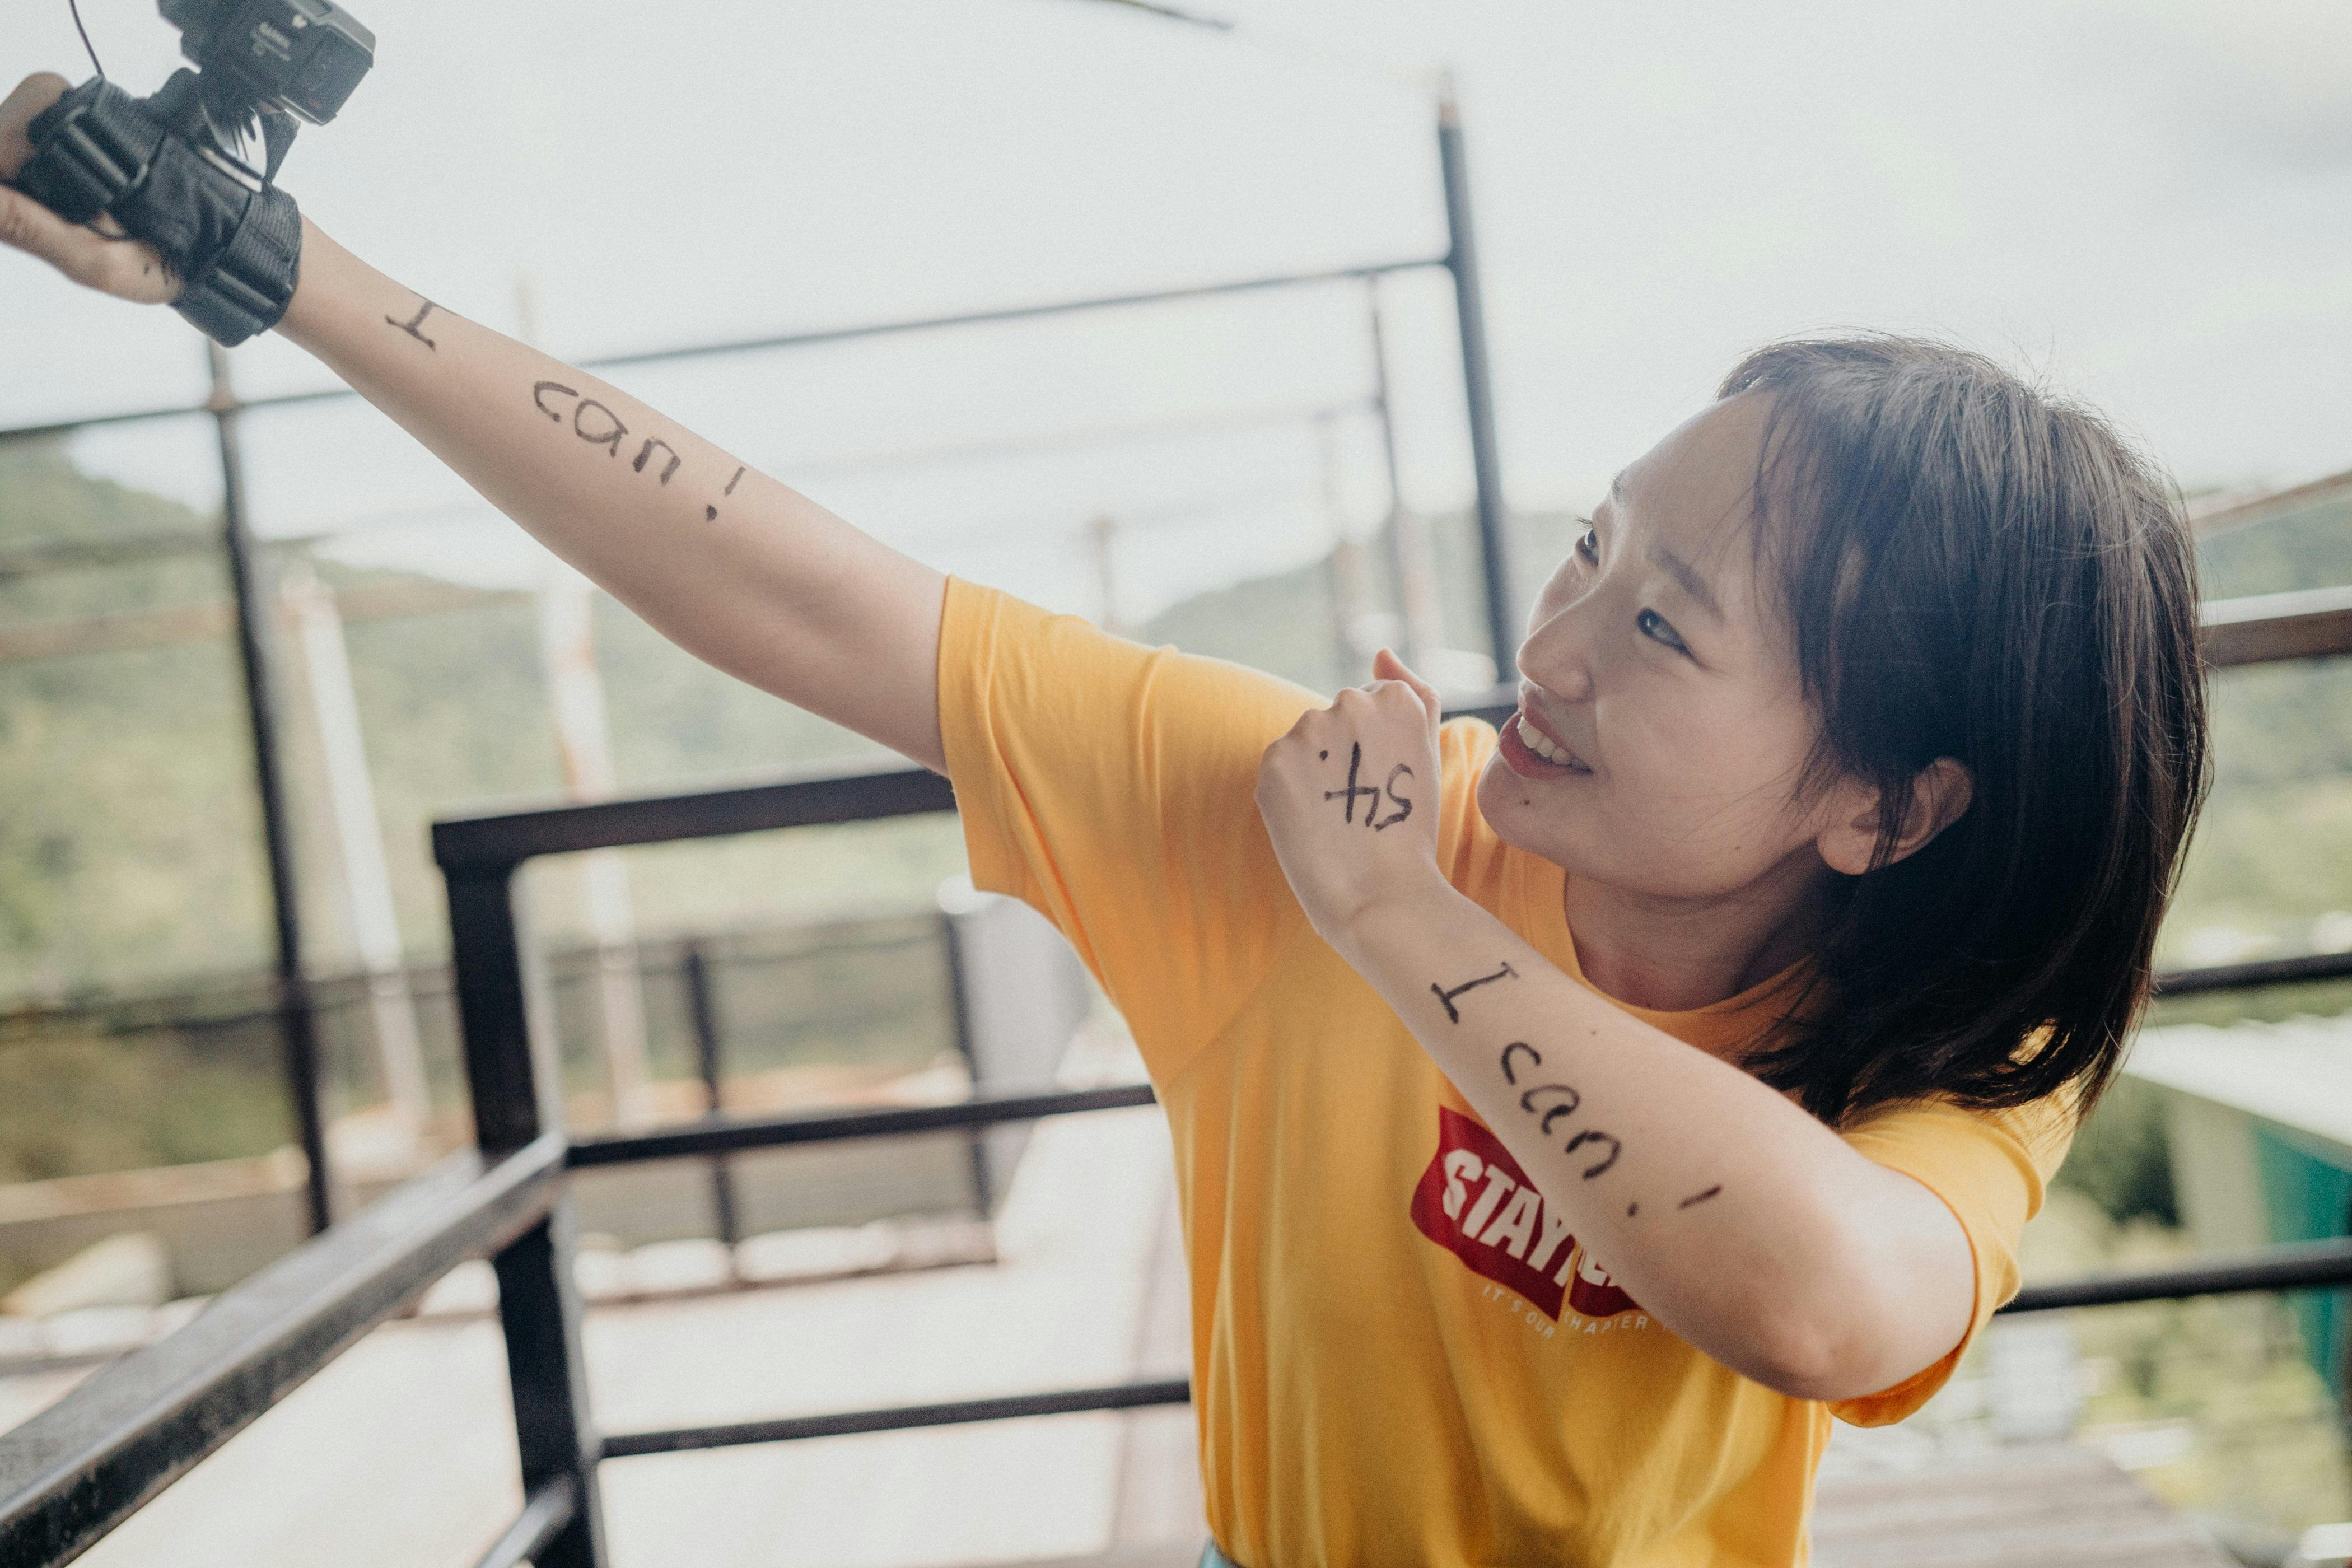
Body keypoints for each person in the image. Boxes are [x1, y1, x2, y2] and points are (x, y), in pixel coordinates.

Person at [1, 69, 2209, 1567]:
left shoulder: (1953, 1031)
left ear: (1892, 805)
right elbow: (805, 586)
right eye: (1586, 546)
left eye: (1664, 623)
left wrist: (1387, 916)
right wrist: (257, 262)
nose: (1555, 645)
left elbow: (1826, 1308)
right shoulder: (1312, 810)